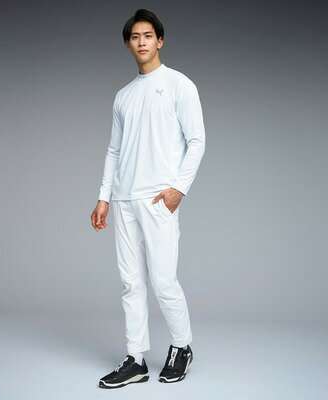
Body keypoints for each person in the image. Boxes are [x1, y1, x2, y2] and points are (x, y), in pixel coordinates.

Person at [91, 8, 205, 389]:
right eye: (135, 37)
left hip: (158, 199)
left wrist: (179, 189)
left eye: (148, 35)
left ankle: (181, 346)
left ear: (160, 40)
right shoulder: (123, 96)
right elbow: (114, 150)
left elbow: (197, 140)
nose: (141, 42)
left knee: (163, 280)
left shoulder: (178, 85)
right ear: (128, 44)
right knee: (131, 283)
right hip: (124, 199)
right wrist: (104, 197)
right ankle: (135, 358)